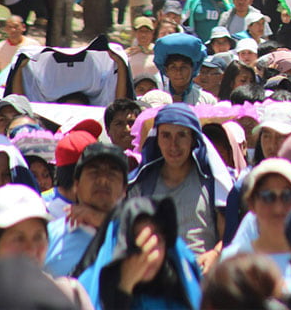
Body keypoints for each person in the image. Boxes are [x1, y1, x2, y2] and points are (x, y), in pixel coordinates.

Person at [127, 103, 227, 271]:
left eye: (181, 135)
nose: (173, 145)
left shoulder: (213, 182)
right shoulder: (141, 184)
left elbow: (230, 236)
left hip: (200, 280)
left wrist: (215, 254)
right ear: (157, 139)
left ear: (193, 139)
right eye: (166, 135)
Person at [74, 196, 204, 309]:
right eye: (137, 239)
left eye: (157, 239)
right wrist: (124, 289)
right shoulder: (84, 294)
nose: (148, 254)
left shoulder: (179, 298)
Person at [46, 143, 129, 278]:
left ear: (124, 189)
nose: (102, 180)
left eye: (112, 173)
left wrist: (102, 220)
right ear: (76, 185)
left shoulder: (133, 237)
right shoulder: (50, 236)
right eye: (94, 172)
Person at [0, 14, 43, 86]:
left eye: (16, 26)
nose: (13, 30)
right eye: (10, 27)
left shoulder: (34, 46)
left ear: (23, 27)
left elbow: (40, 69)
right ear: (5, 29)